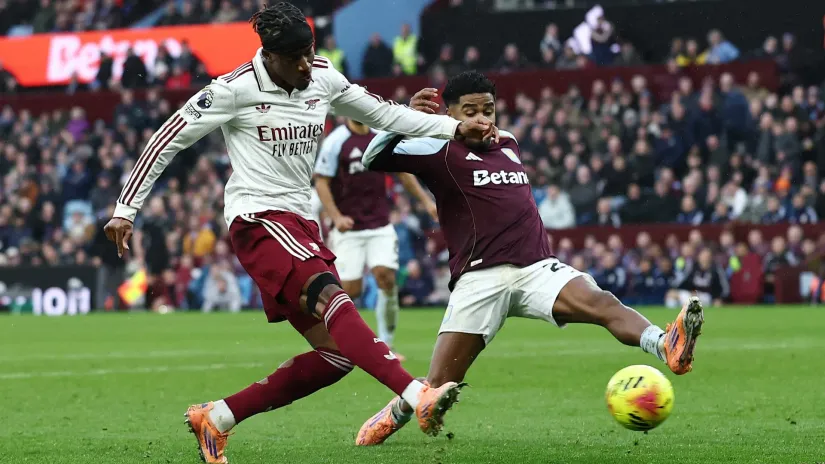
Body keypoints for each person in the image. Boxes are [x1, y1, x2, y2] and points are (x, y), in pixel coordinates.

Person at [102, 4, 495, 463]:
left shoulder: (324, 77)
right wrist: (125, 208)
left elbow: (386, 115)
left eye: (310, 53)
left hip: (299, 221)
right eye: (296, 58)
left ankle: (218, 418)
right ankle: (415, 394)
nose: (306, 65)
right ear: (269, 55)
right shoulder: (233, 89)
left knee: (336, 356)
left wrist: (453, 127)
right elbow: (167, 138)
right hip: (258, 219)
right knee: (334, 297)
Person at [354, 71, 705, 446]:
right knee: (438, 385)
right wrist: (408, 119)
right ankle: (398, 412)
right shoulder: (435, 147)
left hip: (536, 267)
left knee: (600, 301)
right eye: (469, 111)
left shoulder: (508, 143)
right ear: (449, 114)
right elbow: (370, 157)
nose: (481, 118)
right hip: (480, 278)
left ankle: (664, 343)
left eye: (487, 109)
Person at [314, 118, 439, 360]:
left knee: (386, 277)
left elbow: (402, 173)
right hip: (348, 228)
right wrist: (336, 216)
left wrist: (426, 202)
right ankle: (339, 344)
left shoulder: (380, 137)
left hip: (380, 224)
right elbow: (321, 181)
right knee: (351, 289)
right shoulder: (336, 141)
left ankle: (386, 345)